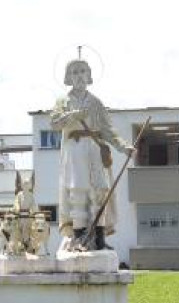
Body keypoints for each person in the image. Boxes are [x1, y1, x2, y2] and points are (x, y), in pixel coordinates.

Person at [50, 58, 132, 252]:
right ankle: (79, 238)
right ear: (69, 77)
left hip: (95, 148)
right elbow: (54, 123)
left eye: (82, 71)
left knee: (100, 192)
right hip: (76, 149)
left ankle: (99, 238)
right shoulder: (63, 101)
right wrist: (72, 116)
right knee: (78, 192)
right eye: (75, 72)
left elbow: (108, 130)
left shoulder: (96, 102)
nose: (79, 76)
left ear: (89, 75)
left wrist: (124, 147)